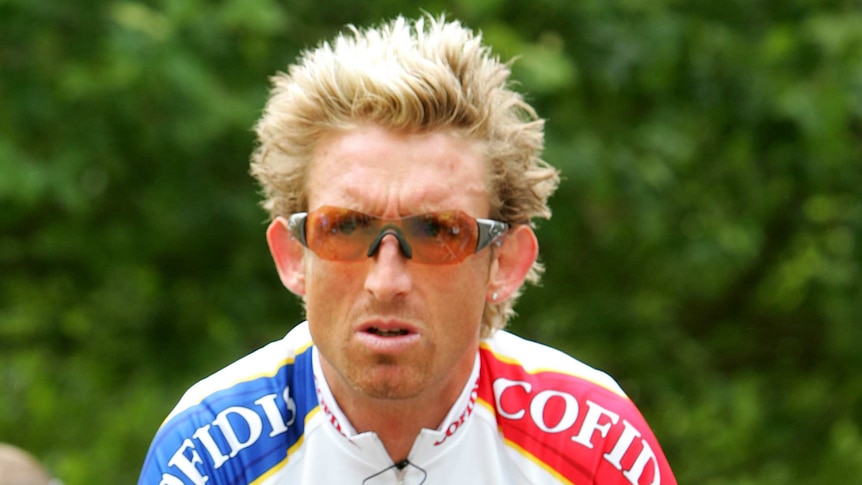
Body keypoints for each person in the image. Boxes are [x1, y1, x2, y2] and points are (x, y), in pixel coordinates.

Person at [138, 15, 677, 485]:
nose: (386, 281)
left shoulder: (598, 448)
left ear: (505, 263)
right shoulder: (207, 456)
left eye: (439, 232)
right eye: (345, 227)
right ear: (292, 255)